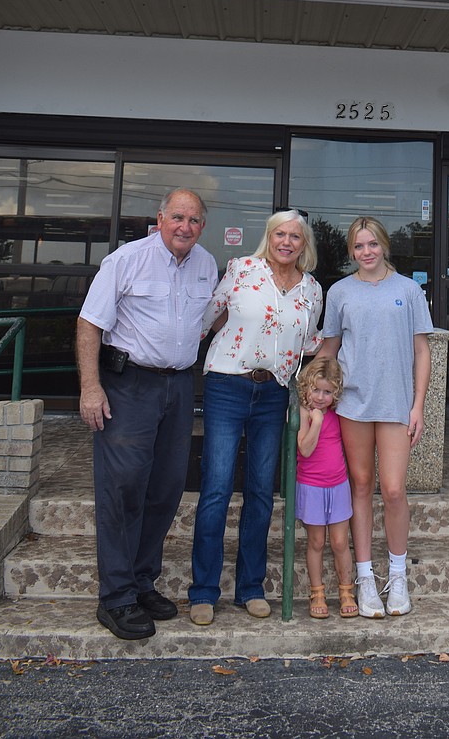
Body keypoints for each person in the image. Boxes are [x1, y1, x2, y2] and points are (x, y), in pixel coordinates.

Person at [76, 188, 217, 640]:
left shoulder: (207, 265)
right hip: (129, 386)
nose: (185, 227)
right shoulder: (126, 260)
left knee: (165, 489)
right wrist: (90, 386)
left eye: (194, 220)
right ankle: (115, 597)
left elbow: (203, 323)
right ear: (161, 218)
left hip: (177, 386)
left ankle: (140, 582)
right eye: (178, 217)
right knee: (123, 490)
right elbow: (89, 323)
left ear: (202, 226)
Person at [188, 209, 322, 627]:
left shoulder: (313, 290)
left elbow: (310, 342)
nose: (286, 242)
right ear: (269, 237)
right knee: (216, 487)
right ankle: (204, 591)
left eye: (295, 237)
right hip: (228, 384)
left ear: (304, 244)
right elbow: (208, 319)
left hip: (274, 392)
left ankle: (250, 587)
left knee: (262, 492)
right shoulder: (242, 269)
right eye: (279, 234)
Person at [318, 216, 432, 619]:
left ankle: (398, 576)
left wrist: (418, 404)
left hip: (397, 404)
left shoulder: (409, 290)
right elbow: (330, 346)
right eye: (358, 246)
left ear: (384, 245)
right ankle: (365, 579)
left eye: (372, 244)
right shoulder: (340, 292)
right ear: (351, 252)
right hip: (353, 403)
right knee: (361, 484)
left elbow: (422, 351)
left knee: (395, 488)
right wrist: (309, 390)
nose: (366, 252)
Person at [295, 357, 357, 619]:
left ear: (336, 393)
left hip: (338, 484)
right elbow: (305, 449)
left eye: (328, 392)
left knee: (341, 542)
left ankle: (346, 591)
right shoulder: (303, 412)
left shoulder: (338, 412)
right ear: (306, 387)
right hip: (312, 486)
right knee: (317, 541)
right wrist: (316, 422)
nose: (320, 397)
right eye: (316, 389)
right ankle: (317, 591)